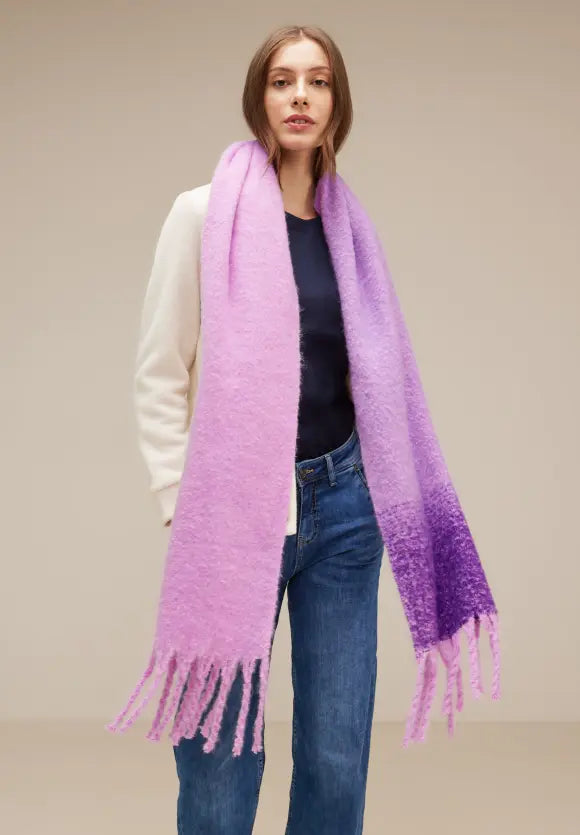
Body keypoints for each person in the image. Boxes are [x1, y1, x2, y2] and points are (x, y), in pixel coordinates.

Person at [136, 24, 388, 835]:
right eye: (282, 81)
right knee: (218, 758)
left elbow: (370, 376)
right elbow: (160, 370)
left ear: (337, 103)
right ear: (260, 98)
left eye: (317, 81)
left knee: (336, 754)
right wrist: (181, 498)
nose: (300, 97)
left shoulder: (350, 232)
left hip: (345, 507)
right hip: (233, 509)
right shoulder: (203, 214)